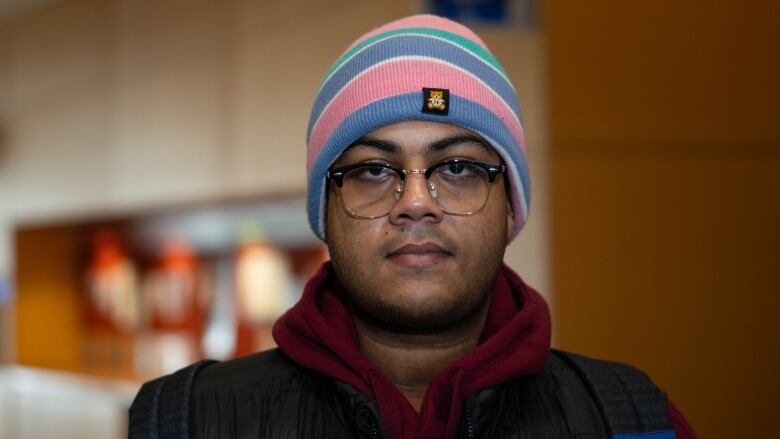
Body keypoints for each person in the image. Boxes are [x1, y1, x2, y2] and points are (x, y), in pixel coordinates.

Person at [129, 15, 696, 439]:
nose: (417, 202)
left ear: (510, 206)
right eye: (374, 169)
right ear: (323, 208)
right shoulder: (186, 420)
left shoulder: (632, 418)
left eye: (458, 167)